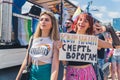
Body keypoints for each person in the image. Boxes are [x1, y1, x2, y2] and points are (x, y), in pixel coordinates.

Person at [60, 12, 120, 80]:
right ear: (76, 22)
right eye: (80, 20)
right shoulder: (67, 37)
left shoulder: (92, 39)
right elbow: (64, 61)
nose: (81, 22)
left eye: (85, 21)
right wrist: (59, 48)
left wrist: (109, 28)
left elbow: (117, 45)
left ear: (89, 25)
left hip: (88, 74)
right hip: (71, 74)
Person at [16, 11, 60, 80]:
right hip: (32, 74)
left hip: (45, 75)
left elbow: (55, 67)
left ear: (52, 24)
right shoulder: (33, 38)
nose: (43, 21)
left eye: (47, 20)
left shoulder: (55, 41)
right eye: (41, 19)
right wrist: (18, 77)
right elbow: (26, 60)